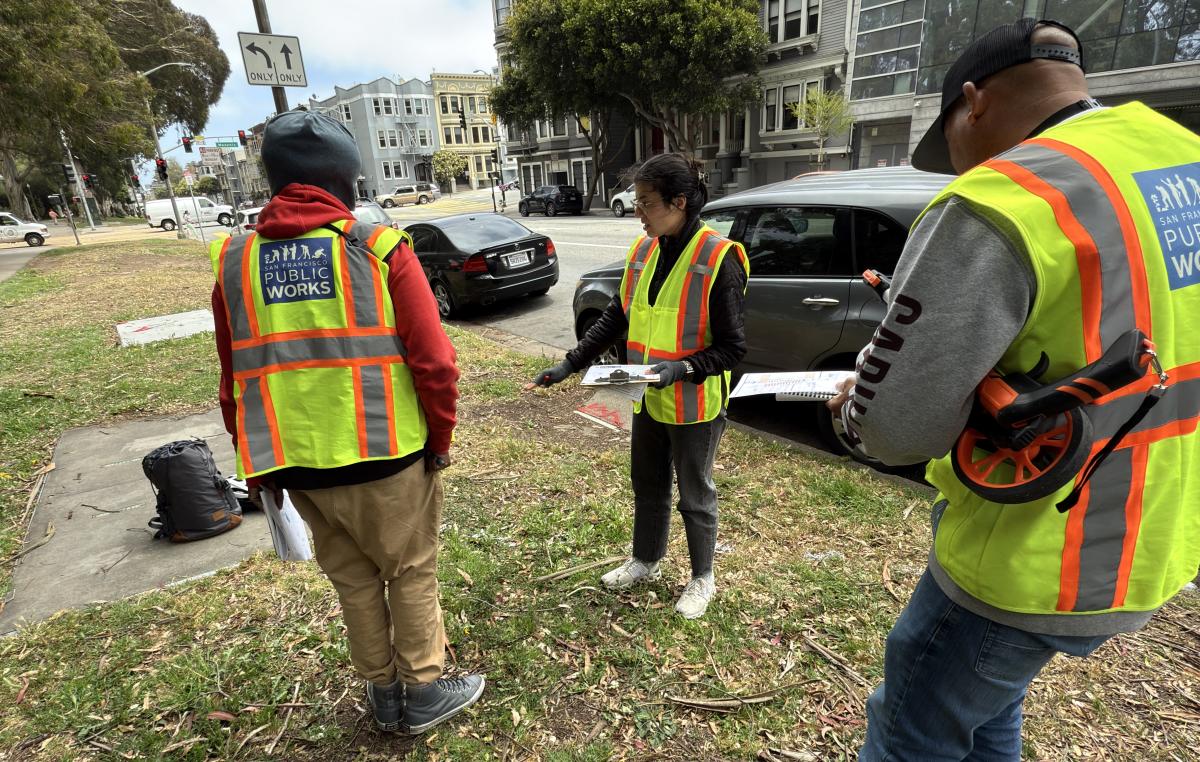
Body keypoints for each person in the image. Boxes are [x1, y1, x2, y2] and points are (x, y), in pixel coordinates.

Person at [824, 18, 1200, 760]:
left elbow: (898, 427)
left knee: (912, 731)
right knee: (989, 710)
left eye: (951, 147)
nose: (956, 168)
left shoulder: (1007, 197)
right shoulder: (1183, 156)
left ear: (974, 102)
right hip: (1157, 534)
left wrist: (853, 412)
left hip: (1033, 552)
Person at [209, 110, 484, 735]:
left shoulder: (234, 261)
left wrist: (255, 467)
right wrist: (440, 439)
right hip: (386, 451)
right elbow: (436, 362)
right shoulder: (379, 248)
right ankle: (423, 692)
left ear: (275, 178)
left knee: (354, 580)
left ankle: (383, 698)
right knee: (410, 569)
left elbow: (233, 378)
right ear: (347, 181)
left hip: (294, 461)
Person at [527, 153, 749, 619]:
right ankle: (646, 559)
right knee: (647, 483)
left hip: (694, 403)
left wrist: (682, 369)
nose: (637, 211)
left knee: (695, 492)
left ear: (679, 203)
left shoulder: (718, 259)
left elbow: (732, 348)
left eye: (646, 203)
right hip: (643, 394)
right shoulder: (644, 250)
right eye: (638, 202)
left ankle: (702, 578)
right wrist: (571, 364)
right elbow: (617, 316)